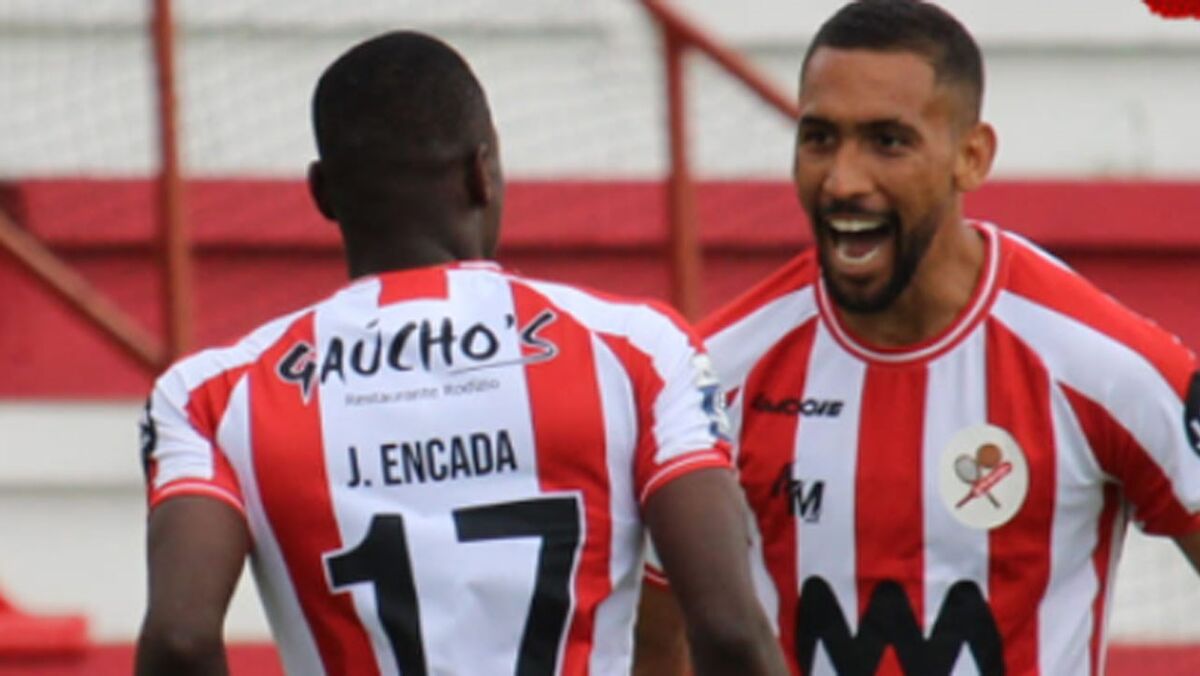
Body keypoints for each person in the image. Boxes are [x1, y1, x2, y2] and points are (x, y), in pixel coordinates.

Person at [134, 31, 787, 676]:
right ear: (482, 173)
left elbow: (180, 639)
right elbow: (729, 632)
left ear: (323, 194)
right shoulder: (639, 349)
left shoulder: (210, 396)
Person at [641, 1, 1200, 674]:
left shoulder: (1102, 362)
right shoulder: (712, 375)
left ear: (971, 157)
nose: (843, 180)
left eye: (888, 142)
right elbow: (654, 648)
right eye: (819, 139)